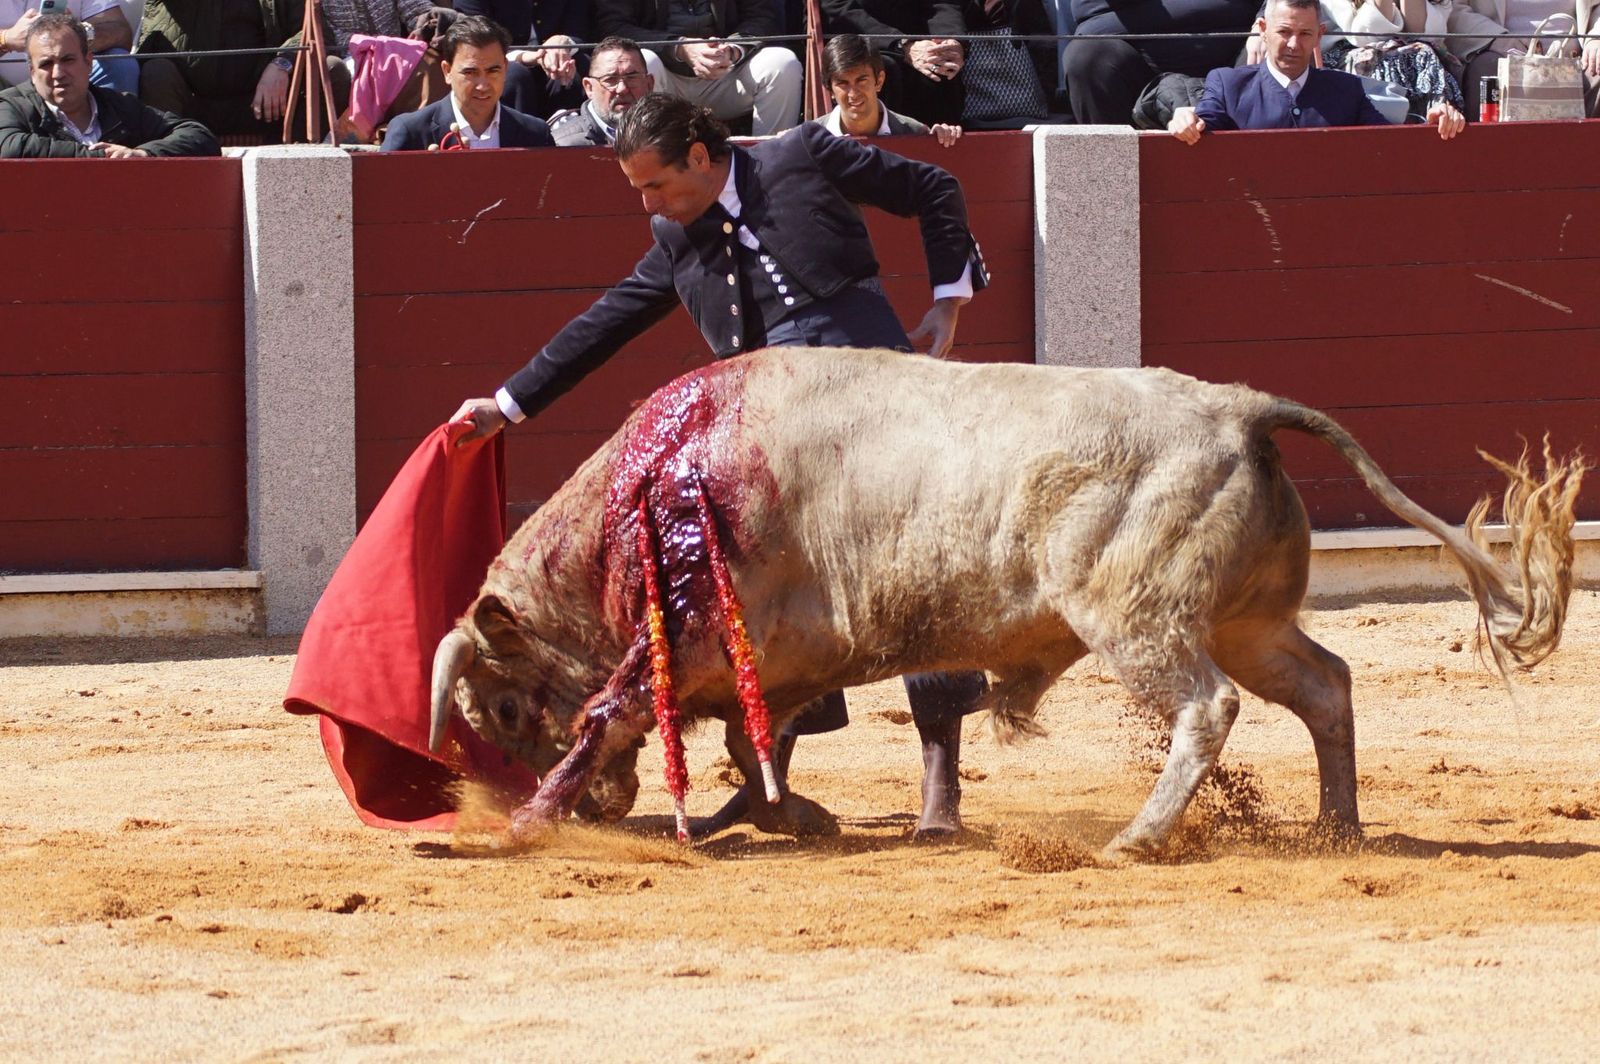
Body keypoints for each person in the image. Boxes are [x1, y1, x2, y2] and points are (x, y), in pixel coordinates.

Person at [449, 92, 991, 838]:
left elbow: (935, 187)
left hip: (873, 415)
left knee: (915, 586)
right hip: (770, 450)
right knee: (752, 601)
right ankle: (770, 786)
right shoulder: (676, 240)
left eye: (654, 185)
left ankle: (942, 792)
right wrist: (507, 405)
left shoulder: (802, 155)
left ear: (700, 158)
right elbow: (606, 322)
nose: (648, 203)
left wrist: (947, 303)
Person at [1167, 0, 1466, 140]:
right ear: (1263, 30)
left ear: (1319, 35)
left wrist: (1430, 124)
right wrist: (1185, 119)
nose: (1294, 45)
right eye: (1284, 32)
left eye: (1305, 34)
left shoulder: (1347, 89)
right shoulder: (1228, 83)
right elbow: (1201, 125)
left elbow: (1388, 142)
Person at [0, 13, 218, 156]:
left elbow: (199, 137)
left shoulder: (119, 106)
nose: (58, 73)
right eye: (46, 64)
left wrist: (142, 154)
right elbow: (9, 147)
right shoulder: (12, 105)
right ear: (31, 71)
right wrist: (97, 157)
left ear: (88, 61)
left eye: (68, 60)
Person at [136, 1, 350, 140]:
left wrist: (282, 63)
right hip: (191, 105)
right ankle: (168, 167)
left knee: (332, 70)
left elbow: (314, 32)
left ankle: (299, 173)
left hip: (267, 105)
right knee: (156, 71)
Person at [596, 0, 803, 136]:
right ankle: (642, 155)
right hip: (662, 77)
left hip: (727, 72)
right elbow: (614, 26)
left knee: (783, 63)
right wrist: (678, 47)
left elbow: (764, 18)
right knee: (641, 63)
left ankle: (771, 163)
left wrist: (732, 50)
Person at [1061, 0, 1257, 125]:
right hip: (1138, 67)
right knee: (1087, 56)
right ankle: (1111, 177)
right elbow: (1089, 12)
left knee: (1275, 42)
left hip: (1235, 57)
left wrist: (1262, 20)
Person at [381, 15, 555, 150]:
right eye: (470, 72)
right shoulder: (411, 132)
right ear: (447, 72)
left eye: (493, 71)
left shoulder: (536, 135)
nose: (483, 85)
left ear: (505, 68)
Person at [820, 0, 968, 126]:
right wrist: (903, 44)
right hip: (866, 45)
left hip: (923, 42)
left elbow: (942, 4)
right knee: (882, 69)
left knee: (942, 64)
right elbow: (839, 10)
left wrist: (950, 40)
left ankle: (945, 148)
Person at [1449, 0, 1600, 118]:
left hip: (1575, 61)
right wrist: (1497, 38)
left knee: (1597, 67)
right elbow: (1454, 11)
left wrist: (1595, 38)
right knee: (1485, 72)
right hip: (1502, 57)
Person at [814, 32, 961, 144]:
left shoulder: (915, 132)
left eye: (861, 80)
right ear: (830, 89)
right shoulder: (805, 139)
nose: (853, 93)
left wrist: (943, 136)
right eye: (843, 83)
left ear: (879, 81)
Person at [455, 0, 593, 118]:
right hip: (500, 61)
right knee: (514, 75)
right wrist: (524, 56)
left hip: (551, 61)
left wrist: (561, 42)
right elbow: (475, 38)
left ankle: (571, 139)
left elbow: (578, 30)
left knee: (575, 66)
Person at [0, 1, 137, 95]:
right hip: (5, 87)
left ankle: (114, 134)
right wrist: (6, 39)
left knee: (120, 63)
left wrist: (77, 32)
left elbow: (121, 33)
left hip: (69, 79)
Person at [548, 35, 653, 146]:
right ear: (589, 88)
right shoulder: (562, 146)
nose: (622, 89)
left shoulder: (669, 138)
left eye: (632, 78)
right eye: (610, 79)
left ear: (649, 84)